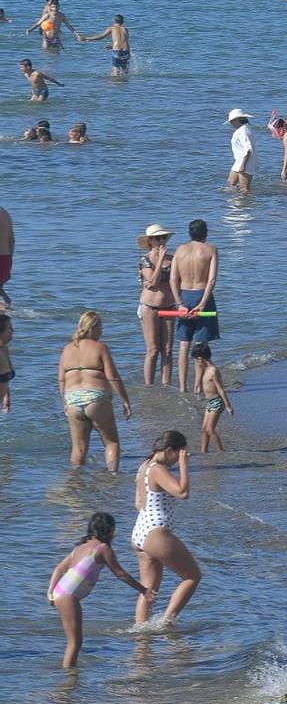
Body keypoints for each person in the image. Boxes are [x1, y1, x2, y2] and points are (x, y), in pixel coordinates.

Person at [48, 512, 150, 668]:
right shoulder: (102, 549)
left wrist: (49, 593)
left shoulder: (79, 547)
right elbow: (120, 574)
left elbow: (58, 568)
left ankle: (69, 673)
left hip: (59, 592)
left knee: (74, 640)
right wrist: (143, 590)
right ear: (109, 531)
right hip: (68, 597)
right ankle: (69, 679)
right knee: (75, 641)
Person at [131, 429, 200, 624]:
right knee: (192, 577)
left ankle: (141, 635)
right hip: (156, 532)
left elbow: (138, 502)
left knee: (148, 589)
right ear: (170, 450)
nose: (177, 460)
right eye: (178, 455)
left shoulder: (143, 466)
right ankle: (167, 622)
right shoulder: (157, 469)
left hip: (140, 531)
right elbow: (182, 492)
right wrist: (184, 467)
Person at [58, 310, 132, 471]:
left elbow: (62, 379)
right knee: (111, 442)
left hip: (72, 399)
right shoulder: (100, 348)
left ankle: (74, 482)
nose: (102, 331)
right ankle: (112, 479)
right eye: (101, 327)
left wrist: (65, 401)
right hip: (96, 398)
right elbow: (113, 377)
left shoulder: (67, 349)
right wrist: (125, 400)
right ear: (93, 327)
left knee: (78, 448)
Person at [170, 220, 220, 391]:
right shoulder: (211, 249)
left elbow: (172, 279)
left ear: (189, 233)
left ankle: (183, 387)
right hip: (201, 295)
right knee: (200, 344)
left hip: (184, 295)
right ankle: (197, 387)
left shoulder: (179, 250)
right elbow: (211, 280)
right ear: (206, 233)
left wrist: (180, 304)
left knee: (183, 344)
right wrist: (203, 304)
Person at [137, 223, 175, 387]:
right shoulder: (145, 260)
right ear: (150, 241)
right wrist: (160, 259)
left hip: (169, 306)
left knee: (167, 350)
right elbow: (153, 281)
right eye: (157, 238)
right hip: (149, 307)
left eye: (164, 237)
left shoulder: (173, 259)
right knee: (153, 350)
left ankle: (166, 386)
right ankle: (149, 387)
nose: (161, 241)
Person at [196, 343, 234, 452]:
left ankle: (221, 451)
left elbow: (221, 389)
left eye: (196, 360)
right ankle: (204, 452)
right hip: (210, 402)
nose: (197, 363)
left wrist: (228, 406)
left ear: (200, 358)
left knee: (209, 429)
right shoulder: (206, 369)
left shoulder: (213, 371)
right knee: (204, 430)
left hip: (217, 402)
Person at [225, 108, 253, 192]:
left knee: (244, 188)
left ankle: (246, 203)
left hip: (246, 161)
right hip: (239, 160)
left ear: (237, 120)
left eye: (232, 121)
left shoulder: (243, 131)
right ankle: (236, 201)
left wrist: (243, 165)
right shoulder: (243, 129)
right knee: (231, 183)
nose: (230, 123)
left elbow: (248, 149)